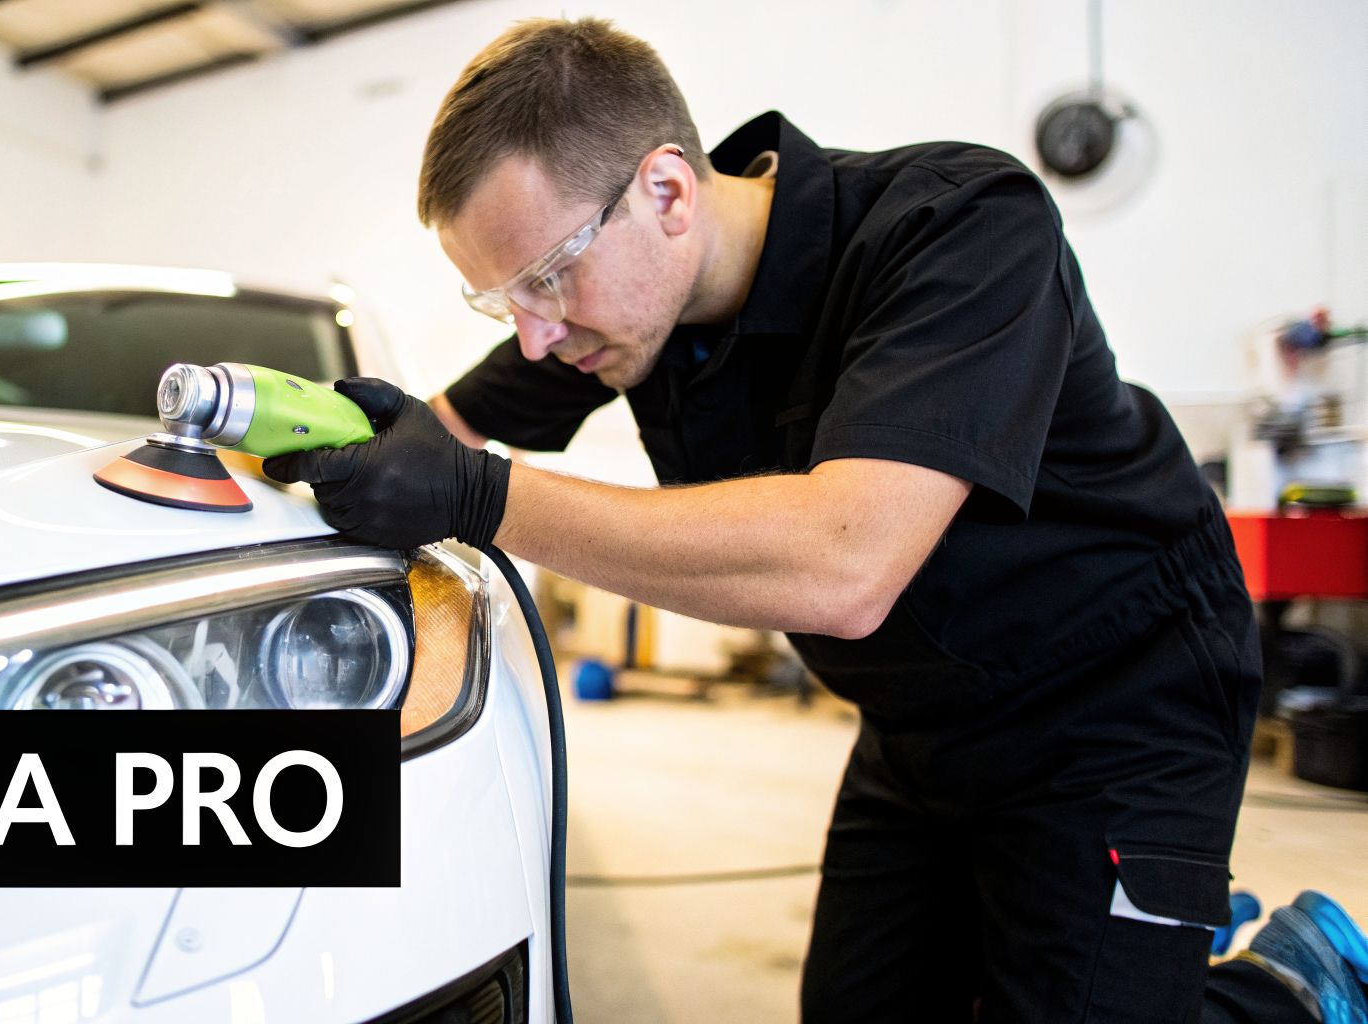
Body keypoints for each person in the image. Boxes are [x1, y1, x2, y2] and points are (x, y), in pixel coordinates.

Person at [262, 17, 1368, 1023]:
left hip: (1114, 705)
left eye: (547, 278)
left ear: (667, 192)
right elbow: (429, 434)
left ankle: (1288, 988)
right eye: (503, 302)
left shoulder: (958, 229)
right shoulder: (623, 312)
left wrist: (478, 496)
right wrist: (307, 444)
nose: (536, 336)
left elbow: (845, 564)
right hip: (918, 725)